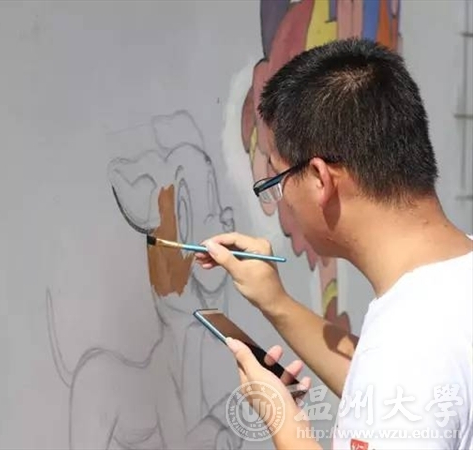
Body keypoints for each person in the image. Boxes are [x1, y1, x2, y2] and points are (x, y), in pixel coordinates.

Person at [195, 38, 473, 449]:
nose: (281, 201)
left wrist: (284, 423)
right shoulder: (451, 283)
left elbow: (402, 381)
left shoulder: (406, 349)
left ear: (320, 179)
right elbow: (408, 400)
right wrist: (276, 302)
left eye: (276, 180)